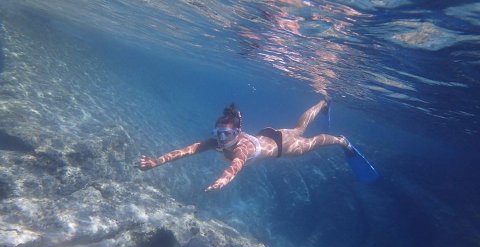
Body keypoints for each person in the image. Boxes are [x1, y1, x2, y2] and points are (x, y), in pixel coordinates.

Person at [137, 100, 377, 192]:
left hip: (282, 147)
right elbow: (186, 151)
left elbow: (236, 166)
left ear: (237, 132)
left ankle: (341, 140)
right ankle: (322, 102)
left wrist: (222, 181)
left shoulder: (242, 149)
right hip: (271, 135)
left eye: (226, 133)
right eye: (218, 133)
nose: (220, 138)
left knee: (312, 142)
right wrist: (156, 162)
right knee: (299, 129)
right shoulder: (217, 142)